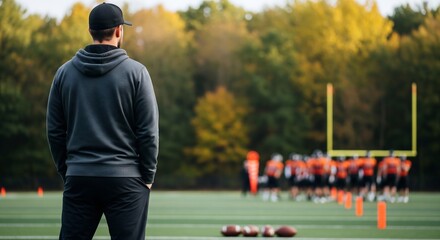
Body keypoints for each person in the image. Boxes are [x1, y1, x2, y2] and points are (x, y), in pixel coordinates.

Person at [46, 3, 159, 239]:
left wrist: (68, 171)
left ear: (90, 31)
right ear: (119, 30)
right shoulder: (137, 72)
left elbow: (55, 131)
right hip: (126, 179)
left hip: (80, 176)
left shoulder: (64, 73)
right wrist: (147, 177)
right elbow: (148, 132)